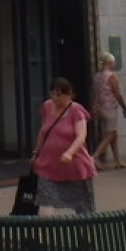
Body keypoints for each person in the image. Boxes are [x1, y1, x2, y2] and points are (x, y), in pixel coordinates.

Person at [31, 77, 97, 214]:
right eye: (52, 93)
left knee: (83, 205)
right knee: (46, 200)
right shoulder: (47, 107)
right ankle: (44, 232)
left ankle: (85, 232)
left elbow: (81, 136)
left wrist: (69, 152)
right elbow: (43, 132)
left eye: (59, 95)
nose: (55, 98)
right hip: (48, 164)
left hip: (74, 166)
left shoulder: (77, 111)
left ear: (69, 94)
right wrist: (36, 153)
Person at [90, 52, 126, 170]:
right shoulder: (111, 76)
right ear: (110, 63)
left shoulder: (97, 76)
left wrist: (95, 107)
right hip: (110, 108)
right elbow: (117, 94)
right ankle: (95, 156)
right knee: (109, 135)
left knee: (113, 133)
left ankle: (117, 160)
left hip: (100, 108)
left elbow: (95, 93)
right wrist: (124, 106)